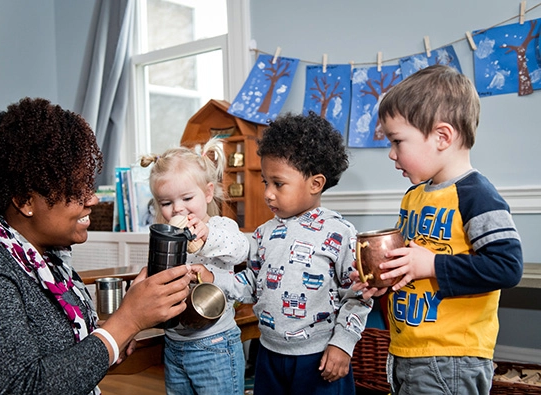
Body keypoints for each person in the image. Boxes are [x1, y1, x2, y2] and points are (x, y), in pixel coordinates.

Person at [0, 97, 193, 395]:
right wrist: (125, 323)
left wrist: (113, 332)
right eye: (77, 190)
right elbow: (21, 388)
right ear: (25, 201)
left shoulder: (43, 260)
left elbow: (59, 360)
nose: (92, 199)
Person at [195, 112, 378, 395]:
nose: (268, 193)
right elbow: (251, 285)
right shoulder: (264, 233)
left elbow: (358, 296)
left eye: (278, 184)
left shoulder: (340, 233)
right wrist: (213, 278)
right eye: (265, 182)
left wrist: (342, 344)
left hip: (320, 359)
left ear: (315, 184)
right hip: (269, 355)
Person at [376, 65, 523, 394]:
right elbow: (412, 261)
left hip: (451, 357)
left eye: (398, 141)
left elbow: (507, 266)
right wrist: (384, 275)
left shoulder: (477, 195)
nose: (391, 153)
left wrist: (431, 265)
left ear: (443, 137)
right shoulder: (414, 197)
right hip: (407, 349)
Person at [140, 138, 250, 395]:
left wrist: (206, 236)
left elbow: (240, 249)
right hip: (175, 343)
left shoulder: (220, 227)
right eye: (166, 203)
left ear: (208, 192)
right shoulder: (167, 236)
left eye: (187, 198)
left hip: (215, 344)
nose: (177, 208)